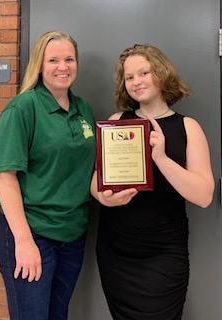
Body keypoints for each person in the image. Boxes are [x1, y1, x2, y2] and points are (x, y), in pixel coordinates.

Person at [90, 44, 214, 320]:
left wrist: (162, 158)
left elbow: (204, 196)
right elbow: (97, 180)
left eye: (143, 73)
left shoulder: (188, 127)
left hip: (164, 251)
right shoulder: (116, 122)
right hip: (116, 248)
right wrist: (102, 197)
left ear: (160, 73)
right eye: (129, 77)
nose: (136, 82)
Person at [0, 31, 96, 320]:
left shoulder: (83, 109)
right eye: (53, 60)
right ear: (39, 64)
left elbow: (86, 169)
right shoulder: (23, 108)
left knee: (57, 315)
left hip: (72, 233)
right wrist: (23, 242)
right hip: (32, 233)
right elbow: (5, 177)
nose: (62, 67)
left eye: (69, 59)